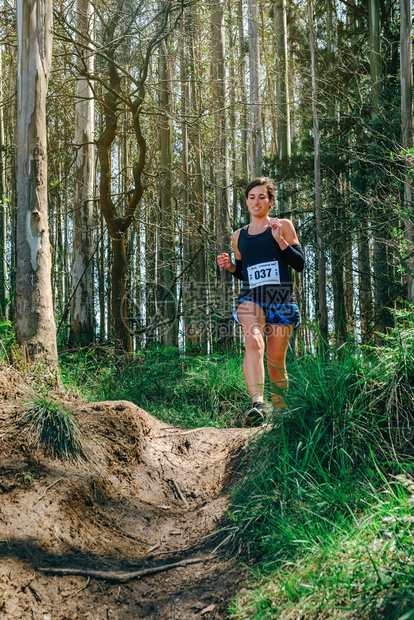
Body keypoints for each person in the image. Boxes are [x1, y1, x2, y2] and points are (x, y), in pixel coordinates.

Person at [217, 177, 305, 427]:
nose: (256, 201)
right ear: (246, 201)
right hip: (251, 298)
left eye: (262, 197)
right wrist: (231, 266)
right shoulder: (239, 236)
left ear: (270, 201)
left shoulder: (283, 226)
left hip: (281, 299)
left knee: (276, 363)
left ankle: (278, 419)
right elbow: (245, 272)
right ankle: (258, 403)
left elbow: (299, 264)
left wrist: (280, 240)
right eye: (252, 197)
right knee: (254, 343)